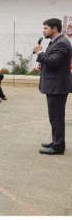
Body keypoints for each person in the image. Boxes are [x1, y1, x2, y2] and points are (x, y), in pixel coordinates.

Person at [34, 18, 72, 155]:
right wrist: (42, 63)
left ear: (54, 28)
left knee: (56, 117)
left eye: (45, 28)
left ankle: (58, 147)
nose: (43, 31)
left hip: (58, 86)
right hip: (55, 84)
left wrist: (39, 52)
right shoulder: (55, 42)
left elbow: (53, 62)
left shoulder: (62, 43)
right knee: (54, 116)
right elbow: (51, 62)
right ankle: (57, 141)